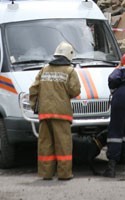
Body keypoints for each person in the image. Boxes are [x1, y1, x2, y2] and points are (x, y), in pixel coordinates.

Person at [29, 41, 81, 180]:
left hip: (44, 113)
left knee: (45, 144)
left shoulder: (44, 69)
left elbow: (33, 89)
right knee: (63, 144)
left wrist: (34, 106)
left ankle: (46, 173)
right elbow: (75, 91)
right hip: (62, 113)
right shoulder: (70, 71)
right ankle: (64, 174)